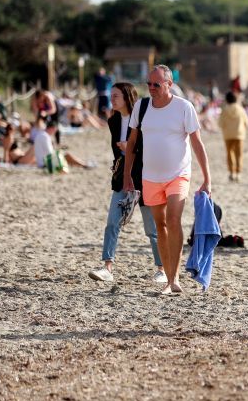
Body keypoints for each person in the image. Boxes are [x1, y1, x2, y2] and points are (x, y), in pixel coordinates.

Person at [124, 64, 211, 295]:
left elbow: (197, 143)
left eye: (157, 84)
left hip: (178, 174)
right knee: (160, 225)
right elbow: (131, 144)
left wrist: (207, 178)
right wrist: (127, 176)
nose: (151, 88)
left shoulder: (184, 107)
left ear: (169, 84)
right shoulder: (141, 107)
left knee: (173, 220)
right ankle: (168, 276)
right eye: (149, 84)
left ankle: (174, 280)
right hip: (150, 176)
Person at [89, 82, 163, 283]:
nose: (111, 99)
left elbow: (152, 146)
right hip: (122, 176)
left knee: (151, 228)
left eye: (116, 96)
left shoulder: (143, 118)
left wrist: (131, 147)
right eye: (111, 96)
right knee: (112, 221)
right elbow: (117, 153)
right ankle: (107, 267)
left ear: (127, 98)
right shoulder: (113, 121)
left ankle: (162, 269)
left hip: (144, 176)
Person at [218, 91, 248, 182]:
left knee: (230, 154)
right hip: (239, 134)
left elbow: (220, 123)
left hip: (228, 135)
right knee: (239, 154)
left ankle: (232, 173)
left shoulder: (224, 110)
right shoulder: (241, 109)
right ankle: (238, 173)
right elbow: (247, 123)